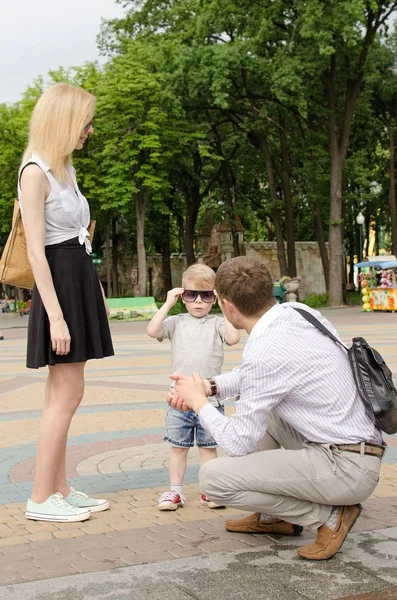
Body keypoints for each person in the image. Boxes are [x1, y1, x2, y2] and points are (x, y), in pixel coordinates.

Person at [169, 256, 384, 561]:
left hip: (346, 468)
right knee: (266, 411)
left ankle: (329, 517)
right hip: (358, 448)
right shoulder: (299, 312)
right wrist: (209, 386)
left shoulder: (264, 351)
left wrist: (199, 403)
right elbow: (261, 376)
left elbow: (238, 442)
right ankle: (276, 516)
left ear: (228, 306)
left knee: (213, 479)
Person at [19, 83, 114, 523]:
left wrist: (95, 292)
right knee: (67, 394)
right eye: (85, 122)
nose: (89, 131)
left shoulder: (64, 168)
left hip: (77, 282)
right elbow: (38, 252)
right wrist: (56, 316)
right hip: (58, 287)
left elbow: (79, 240)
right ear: (64, 121)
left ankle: (58, 488)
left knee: (61, 394)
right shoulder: (35, 171)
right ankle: (41, 497)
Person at [147, 263, 240, 511]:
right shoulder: (176, 322)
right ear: (182, 296)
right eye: (191, 295)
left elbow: (233, 338)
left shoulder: (217, 323)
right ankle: (174, 492)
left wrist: (223, 305)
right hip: (179, 400)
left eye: (206, 295)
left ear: (214, 297)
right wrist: (167, 303)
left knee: (209, 449)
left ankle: (209, 491)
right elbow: (152, 330)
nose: (198, 301)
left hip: (210, 401)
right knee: (178, 448)